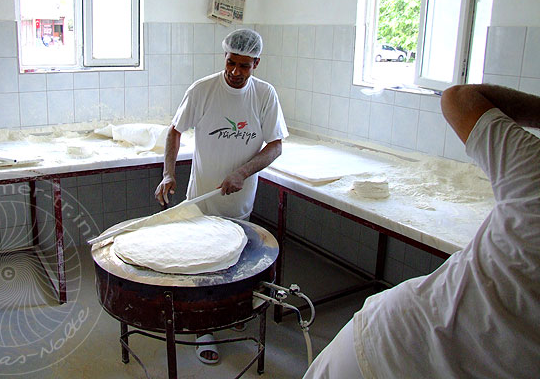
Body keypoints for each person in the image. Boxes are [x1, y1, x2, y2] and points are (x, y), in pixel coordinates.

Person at [303, 84, 540, 378]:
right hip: (386, 348)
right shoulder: (534, 170)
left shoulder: (533, 168)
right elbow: (458, 98)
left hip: (392, 336)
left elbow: (460, 99)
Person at [154, 28, 288, 364]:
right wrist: (168, 172)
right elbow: (174, 131)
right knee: (202, 264)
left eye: (245, 66)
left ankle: (227, 315)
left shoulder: (264, 95)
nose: (235, 72)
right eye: (231, 63)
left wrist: (242, 172)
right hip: (202, 200)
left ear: (256, 63)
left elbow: (276, 145)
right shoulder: (203, 90)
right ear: (224, 58)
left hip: (239, 202)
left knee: (235, 263)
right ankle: (203, 329)